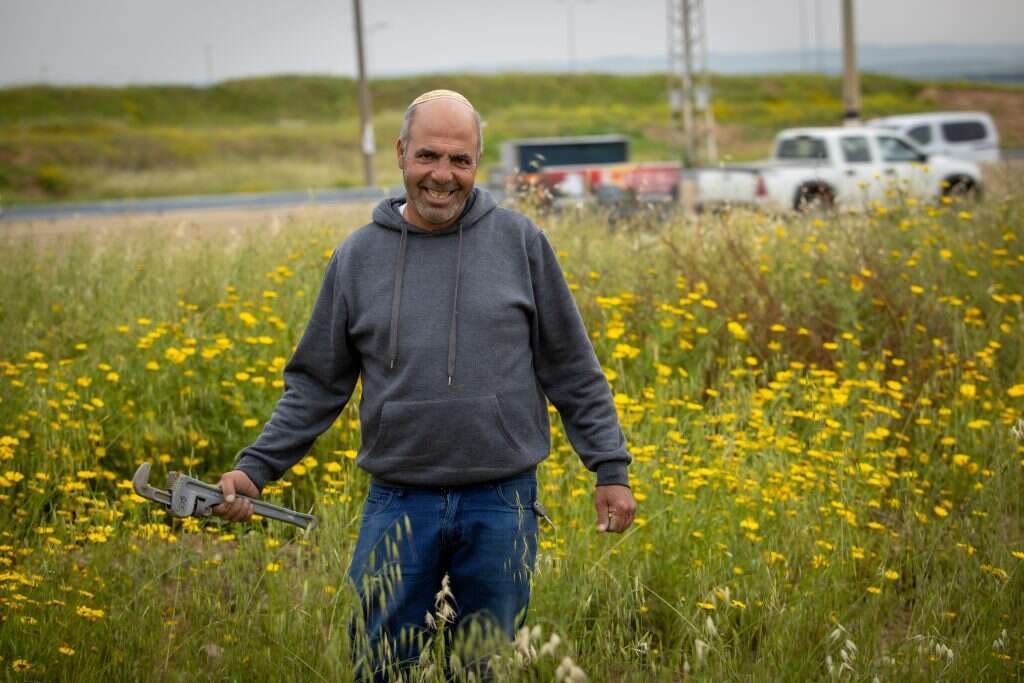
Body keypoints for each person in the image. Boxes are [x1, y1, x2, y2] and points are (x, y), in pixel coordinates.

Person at [213, 90, 637, 678]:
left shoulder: (521, 244)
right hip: (398, 501)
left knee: (482, 669)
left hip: (502, 503)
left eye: (459, 161)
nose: (442, 175)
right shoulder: (357, 258)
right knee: (383, 666)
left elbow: (572, 368)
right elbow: (315, 384)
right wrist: (255, 468)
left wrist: (609, 468)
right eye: (428, 156)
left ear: (476, 164)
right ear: (401, 155)